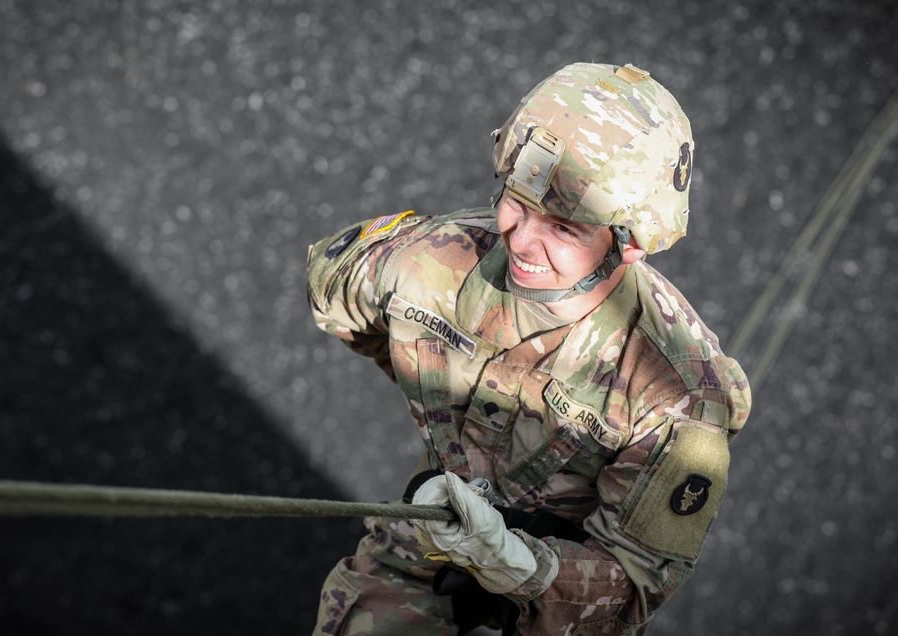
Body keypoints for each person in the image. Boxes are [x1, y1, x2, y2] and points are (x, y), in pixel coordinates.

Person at [306, 61, 751, 635]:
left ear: (631, 244)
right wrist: (441, 408)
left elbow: (629, 588)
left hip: (572, 587)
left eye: (565, 227)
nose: (519, 238)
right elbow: (335, 293)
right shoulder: (426, 262)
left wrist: (514, 562)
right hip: (437, 521)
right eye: (516, 198)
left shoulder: (677, 397)